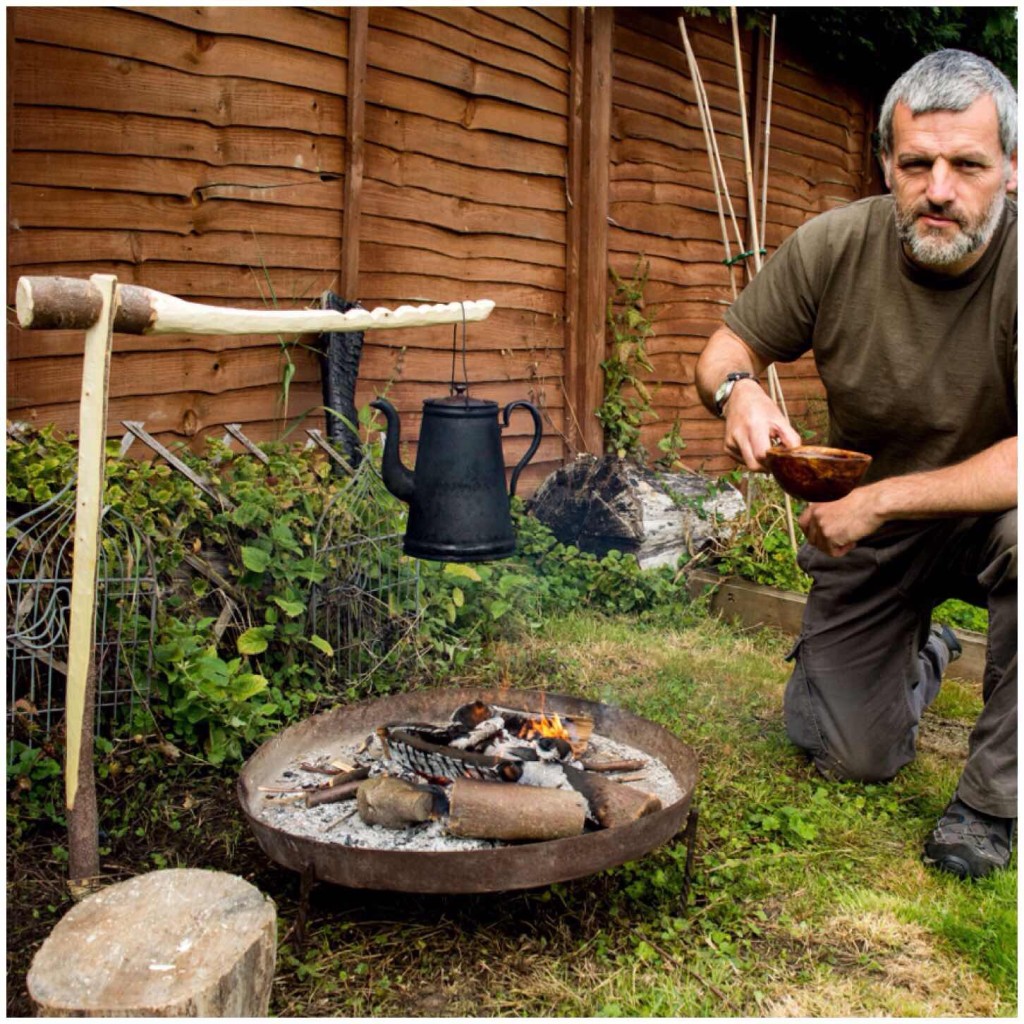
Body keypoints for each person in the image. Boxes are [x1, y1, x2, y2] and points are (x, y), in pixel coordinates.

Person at [695, 49, 1017, 879]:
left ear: (1011, 169)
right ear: (888, 165)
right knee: (843, 754)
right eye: (917, 163)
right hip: (870, 537)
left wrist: (877, 502)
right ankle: (927, 652)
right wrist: (738, 393)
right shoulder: (835, 243)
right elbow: (726, 348)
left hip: (987, 518)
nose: (939, 189)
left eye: (967, 164)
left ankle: (989, 804)